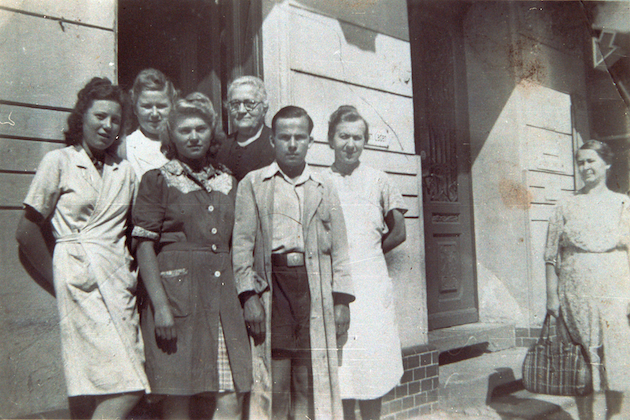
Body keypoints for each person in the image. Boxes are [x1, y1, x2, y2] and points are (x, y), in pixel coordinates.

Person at [15, 77, 149, 419]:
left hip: (118, 282)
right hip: (77, 281)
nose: (107, 125)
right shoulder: (58, 162)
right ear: (82, 118)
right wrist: (59, 281)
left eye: (115, 120)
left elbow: (133, 231)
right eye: (99, 116)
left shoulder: (125, 172)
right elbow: (26, 231)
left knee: (110, 384)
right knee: (113, 384)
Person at [132, 92, 251, 420]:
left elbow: (241, 241)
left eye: (200, 129)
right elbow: (144, 246)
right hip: (176, 300)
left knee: (229, 395)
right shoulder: (157, 180)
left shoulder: (228, 180)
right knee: (178, 395)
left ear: (212, 133)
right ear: (171, 136)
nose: (194, 136)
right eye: (184, 130)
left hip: (223, 302)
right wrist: (160, 308)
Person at [232, 106, 354, 420]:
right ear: (272, 140)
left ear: (310, 141)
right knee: (276, 377)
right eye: (284, 137)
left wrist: (341, 300)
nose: (292, 144)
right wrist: (248, 296)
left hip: (313, 286)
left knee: (307, 377)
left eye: (299, 137)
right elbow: (242, 247)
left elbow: (340, 248)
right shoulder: (254, 183)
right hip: (275, 286)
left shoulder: (324, 186)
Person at [324, 106, 407, 420]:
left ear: (365, 142)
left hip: (371, 284)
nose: (350, 144)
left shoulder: (379, 180)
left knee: (372, 367)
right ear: (330, 139)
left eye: (357, 137)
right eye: (343, 136)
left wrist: (370, 253)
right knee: (343, 368)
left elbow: (399, 231)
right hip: (336, 284)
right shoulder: (320, 181)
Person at [545, 140, 630, 419]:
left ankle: (615, 417)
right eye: (581, 162)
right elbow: (551, 256)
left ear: (606, 164)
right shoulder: (565, 205)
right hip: (575, 297)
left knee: (615, 358)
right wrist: (552, 298)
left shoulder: (623, 204)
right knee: (579, 362)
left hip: (614, 293)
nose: (585, 167)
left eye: (591, 161)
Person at [119, 68, 176, 178]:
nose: (154, 114)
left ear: (172, 106)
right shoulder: (126, 147)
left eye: (161, 106)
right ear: (135, 109)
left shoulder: (182, 143)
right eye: (147, 106)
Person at [216, 75, 274, 180]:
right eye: (235, 104)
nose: (241, 110)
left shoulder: (275, 142)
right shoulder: (222, 146)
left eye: (250, 103)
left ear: (264, 109)